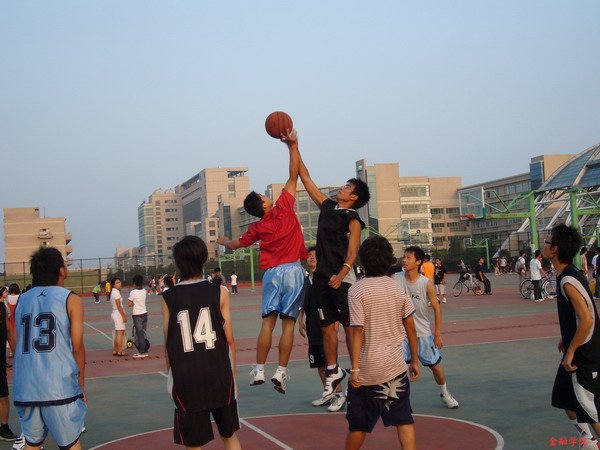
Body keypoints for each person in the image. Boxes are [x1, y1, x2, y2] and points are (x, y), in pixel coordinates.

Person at [218, 130, 307, 394]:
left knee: (267, 323)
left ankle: (258, 369)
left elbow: (235, 244)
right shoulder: (283, 207)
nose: (267, 196)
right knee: (288, 324)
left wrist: (224, 241)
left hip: (271, 274)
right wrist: (292, 146)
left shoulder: (257, 228)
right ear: (264, 204)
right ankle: (281, 372)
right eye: (263, 196)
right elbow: (293, 175)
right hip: (293, 271)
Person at [296, 132, 370, 402]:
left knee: (349, 327)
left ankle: (358, 370)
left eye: (347, 187)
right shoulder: (328, 207)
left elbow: (353, 251)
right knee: (327, 328)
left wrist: (341, 274)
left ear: (354, 196)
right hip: (322, 278)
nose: (342, 187)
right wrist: (293, 147)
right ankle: (333, 372)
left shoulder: (353, 219)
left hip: (342, 279)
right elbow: (306, 178)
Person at [162, 236, 240, 450]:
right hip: (219, 373)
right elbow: (230, 340)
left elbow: (169, 343)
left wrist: (171, 377)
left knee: (194, 444)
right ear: (204, 258)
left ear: (178, 262)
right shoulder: (219, 291)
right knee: (229, 436)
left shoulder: (168, 297)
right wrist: (233, 375)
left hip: (187, 377)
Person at [346, 236, 420, 450]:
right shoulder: (397, 288)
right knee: (403, 419)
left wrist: (355, 369)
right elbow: (411, 327)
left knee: (358, 426)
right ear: (389, 260)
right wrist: (414, 361)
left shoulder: (356, 290)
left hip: (368, 371)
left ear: (362, 261)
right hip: (396, 368)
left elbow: (357, 330)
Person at [13, 246, 86, 450]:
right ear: (61, 270)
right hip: (58, 386)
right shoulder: (71, 299)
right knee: (71, 444)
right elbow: (77, 347)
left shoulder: (21, 300)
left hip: (25, 386)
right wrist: (81, 385)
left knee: (32, 444)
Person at [542, 224, 600, 449]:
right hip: (577, 349)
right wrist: (566, 338)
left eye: (547, 241)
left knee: (591, 412)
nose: (544, 244)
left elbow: (586, 319)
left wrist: (572, 349)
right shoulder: (569, 274)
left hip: (583, 356)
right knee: (565, 400)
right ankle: (589, 444)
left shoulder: (568, 280)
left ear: (554, 249)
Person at [393, 246, 459, 409]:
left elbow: (437, 308)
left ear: (418, 262)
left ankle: (444, 393)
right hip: (401, 333)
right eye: (404, 257)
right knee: (398, 368)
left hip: (422, 333)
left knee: (435, 366)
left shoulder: (426, 284)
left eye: (408, 258)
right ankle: (398, 401)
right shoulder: (396, 278)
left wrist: (437, 334)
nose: (404, 260)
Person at [298, 247, 344, 412]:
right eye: (309, 255)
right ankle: (328, 394)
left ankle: (339, 395)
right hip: (312, 326)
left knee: (330, 363)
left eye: (315, 256)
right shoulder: (306, 280)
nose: (312, 257)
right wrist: (300, 322)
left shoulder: (326, 279)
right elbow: (302, 303)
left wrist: (336, 322)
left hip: (326, 325)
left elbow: (334, 301)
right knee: (318, 363)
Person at [0, 287, 17, 442]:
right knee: (3, 396)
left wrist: (16, 354)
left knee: (3, 395)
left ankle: (4, 427)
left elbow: (9, 330)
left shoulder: (1, 307)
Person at [128, 274, 149, 359]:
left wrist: (134, 302)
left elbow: (129, 304)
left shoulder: (133, 292)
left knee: (139, 334)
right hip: (145, 313)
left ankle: (142, 352)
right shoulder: (144, 291)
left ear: (134, 283)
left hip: (137, 315)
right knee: (143, 333)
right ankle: (145, 350)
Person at [110, 278, 127, 356]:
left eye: (119, 282)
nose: (120, 283)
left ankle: (116, 350)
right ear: (113, 285)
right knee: (120, 333)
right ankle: (120, 351)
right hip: (118, 313)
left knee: (118, 333)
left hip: (115, 313)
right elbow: (119, 306)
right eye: (117, 283)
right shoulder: (116, 293)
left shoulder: (113, 292)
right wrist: (124, 316)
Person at [7, 284, 20, 357]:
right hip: (17, 316)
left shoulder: (7, 297)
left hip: (9, 317)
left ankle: (10, 352)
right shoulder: (20, 297)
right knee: (18, 334)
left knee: (10, 334)